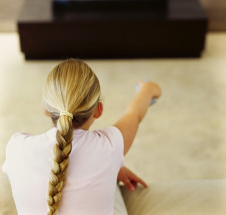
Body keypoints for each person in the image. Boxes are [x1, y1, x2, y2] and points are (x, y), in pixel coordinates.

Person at [2, 59, 161, 215]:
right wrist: (147, 89)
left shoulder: (17, 147)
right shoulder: (110, 146)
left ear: (45, 108)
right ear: (99, 110)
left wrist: (113, 165)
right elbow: (134, 114)